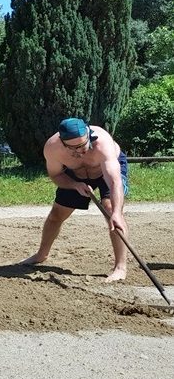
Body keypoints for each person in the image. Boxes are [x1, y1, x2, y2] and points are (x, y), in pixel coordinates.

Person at [19, 118, 129, 282]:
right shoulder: (52, 148)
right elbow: (56, 175)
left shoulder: (103, 143)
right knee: (57, 215)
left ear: (89, 135)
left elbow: (114, 182)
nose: (79, 151)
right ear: (62, 142)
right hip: (75, 175)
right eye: (72, 148)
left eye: (82, 145)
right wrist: (75, 185)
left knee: (111, 210)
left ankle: (120, 267)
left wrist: (117, 213)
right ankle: (41, 254)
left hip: (106, 172)